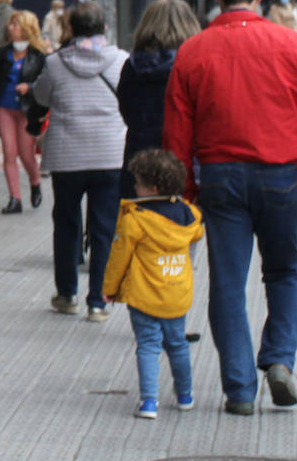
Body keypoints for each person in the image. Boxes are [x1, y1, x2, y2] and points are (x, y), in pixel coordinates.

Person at [164, 0, 297, 414]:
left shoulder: (192, 52)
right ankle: (280, 359)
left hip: (219, 176)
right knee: (282, 271)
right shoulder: (294, 47)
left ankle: (239, 388)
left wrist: (182, 190)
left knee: (227, 282)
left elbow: (177, 131)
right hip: (281, 175)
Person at [31, 0, 128, 322]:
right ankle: (98, 302)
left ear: (70, 29)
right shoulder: (121, 61)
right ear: (105, 28)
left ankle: (67, 293)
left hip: (68, 154)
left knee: (67, 224)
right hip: (110, 154)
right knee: (103, 228)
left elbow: (42, 97)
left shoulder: (56, 63)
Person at [103, 149, 205, 420]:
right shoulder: (189, 216)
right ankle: (185, 396)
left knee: (148, 346)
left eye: (138, 182)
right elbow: (198, 230)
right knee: (178, 345)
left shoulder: (135, 219)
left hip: (144, 295)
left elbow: (119, 256)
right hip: (176, 294)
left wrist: (109, 288)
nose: (134, 187)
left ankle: (149, 402)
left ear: (153, 187)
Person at [117, 0, 200, 200]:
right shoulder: (193, 64)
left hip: (140, 156)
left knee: (142, 222)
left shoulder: (132, 66)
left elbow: (126, 109)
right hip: (183, 156)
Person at [0, 9, 47, 213]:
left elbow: (45, 82)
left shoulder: (39, 56)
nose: (11, 27)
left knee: (26, 154)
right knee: (9, 153)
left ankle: (35, 182)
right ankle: (15, 198)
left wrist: (31, 87)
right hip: (5, 107)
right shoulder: (2, 54)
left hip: (27, 110)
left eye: (16, 24)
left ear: (27, 29)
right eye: (11, 24)